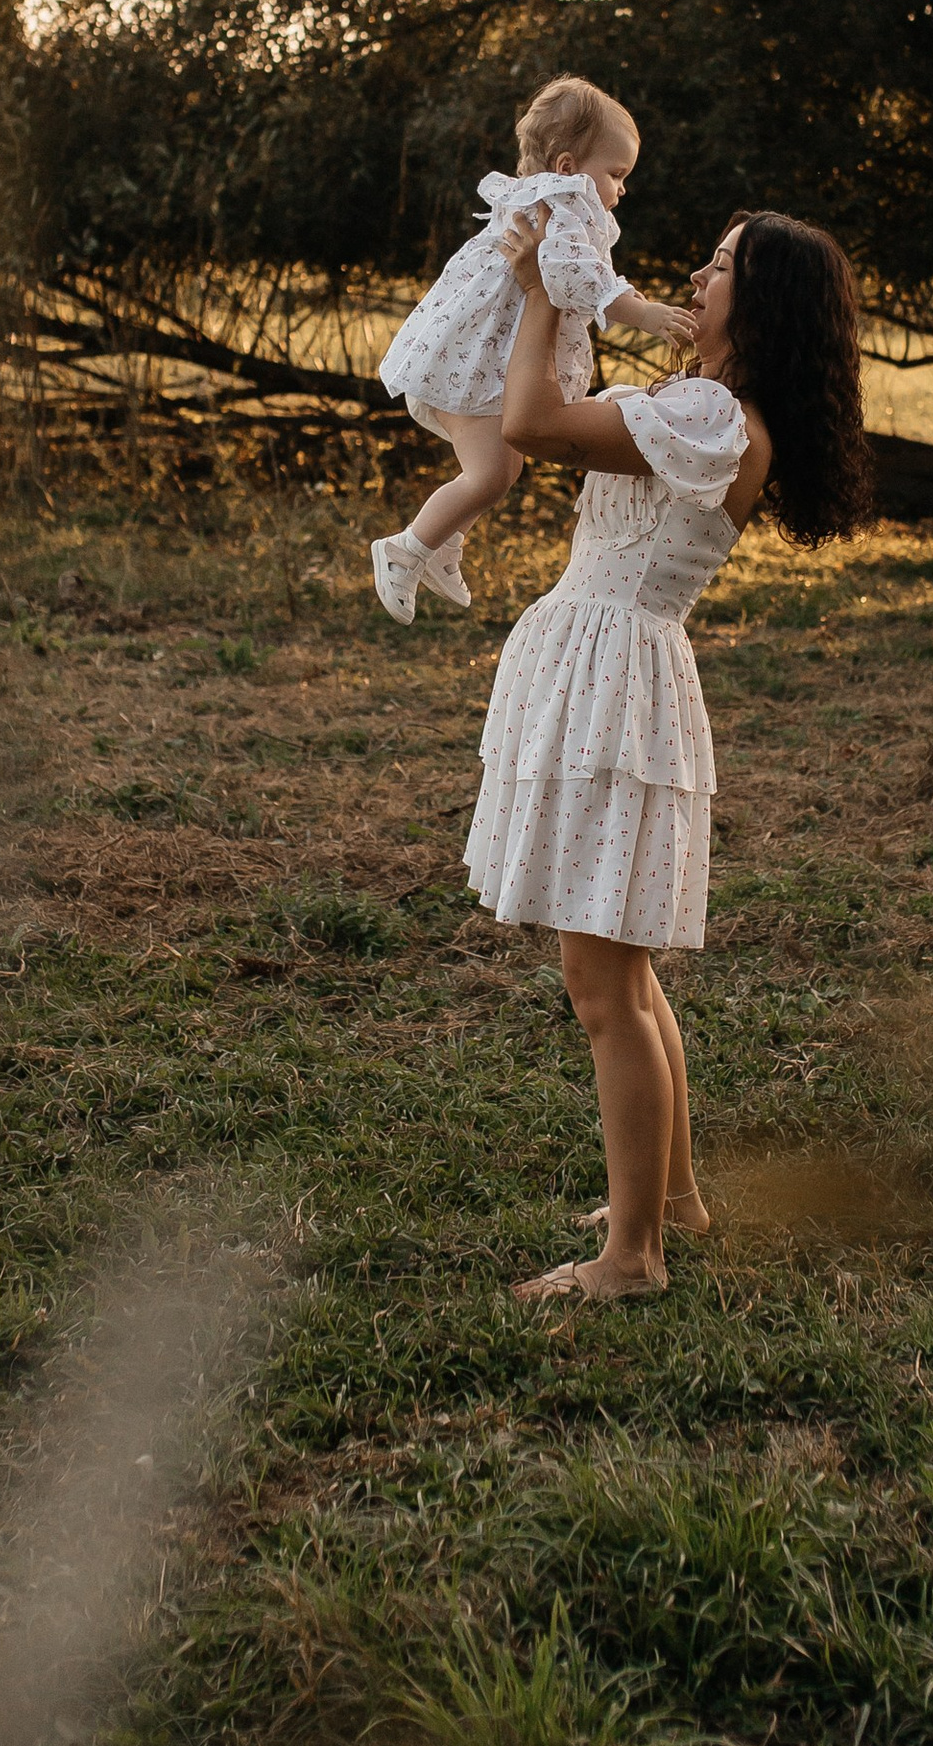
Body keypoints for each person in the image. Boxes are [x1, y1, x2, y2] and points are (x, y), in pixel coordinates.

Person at [467, 204, 874, 1302]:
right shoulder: (710, 410)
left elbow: (534, 427)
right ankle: (676, 1203)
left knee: (602, 989)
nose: (697, 274)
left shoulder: (705, 414)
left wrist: (545, 290)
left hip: (614, 690)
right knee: (627, 978)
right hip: (612, 674)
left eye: (724, 265)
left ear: (765, 302)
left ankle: (630, 1258)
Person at [370, 76, 694, 623]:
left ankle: (444, 541)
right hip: (477, 362)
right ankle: (407, 549)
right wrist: (643, 313)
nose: (621, 189)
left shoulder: (549, 201)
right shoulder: (562, 203)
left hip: (482, 357)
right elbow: (575, 276)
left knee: (505, 466)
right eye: (616, 174)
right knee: (492, 474)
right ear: (568, 165)